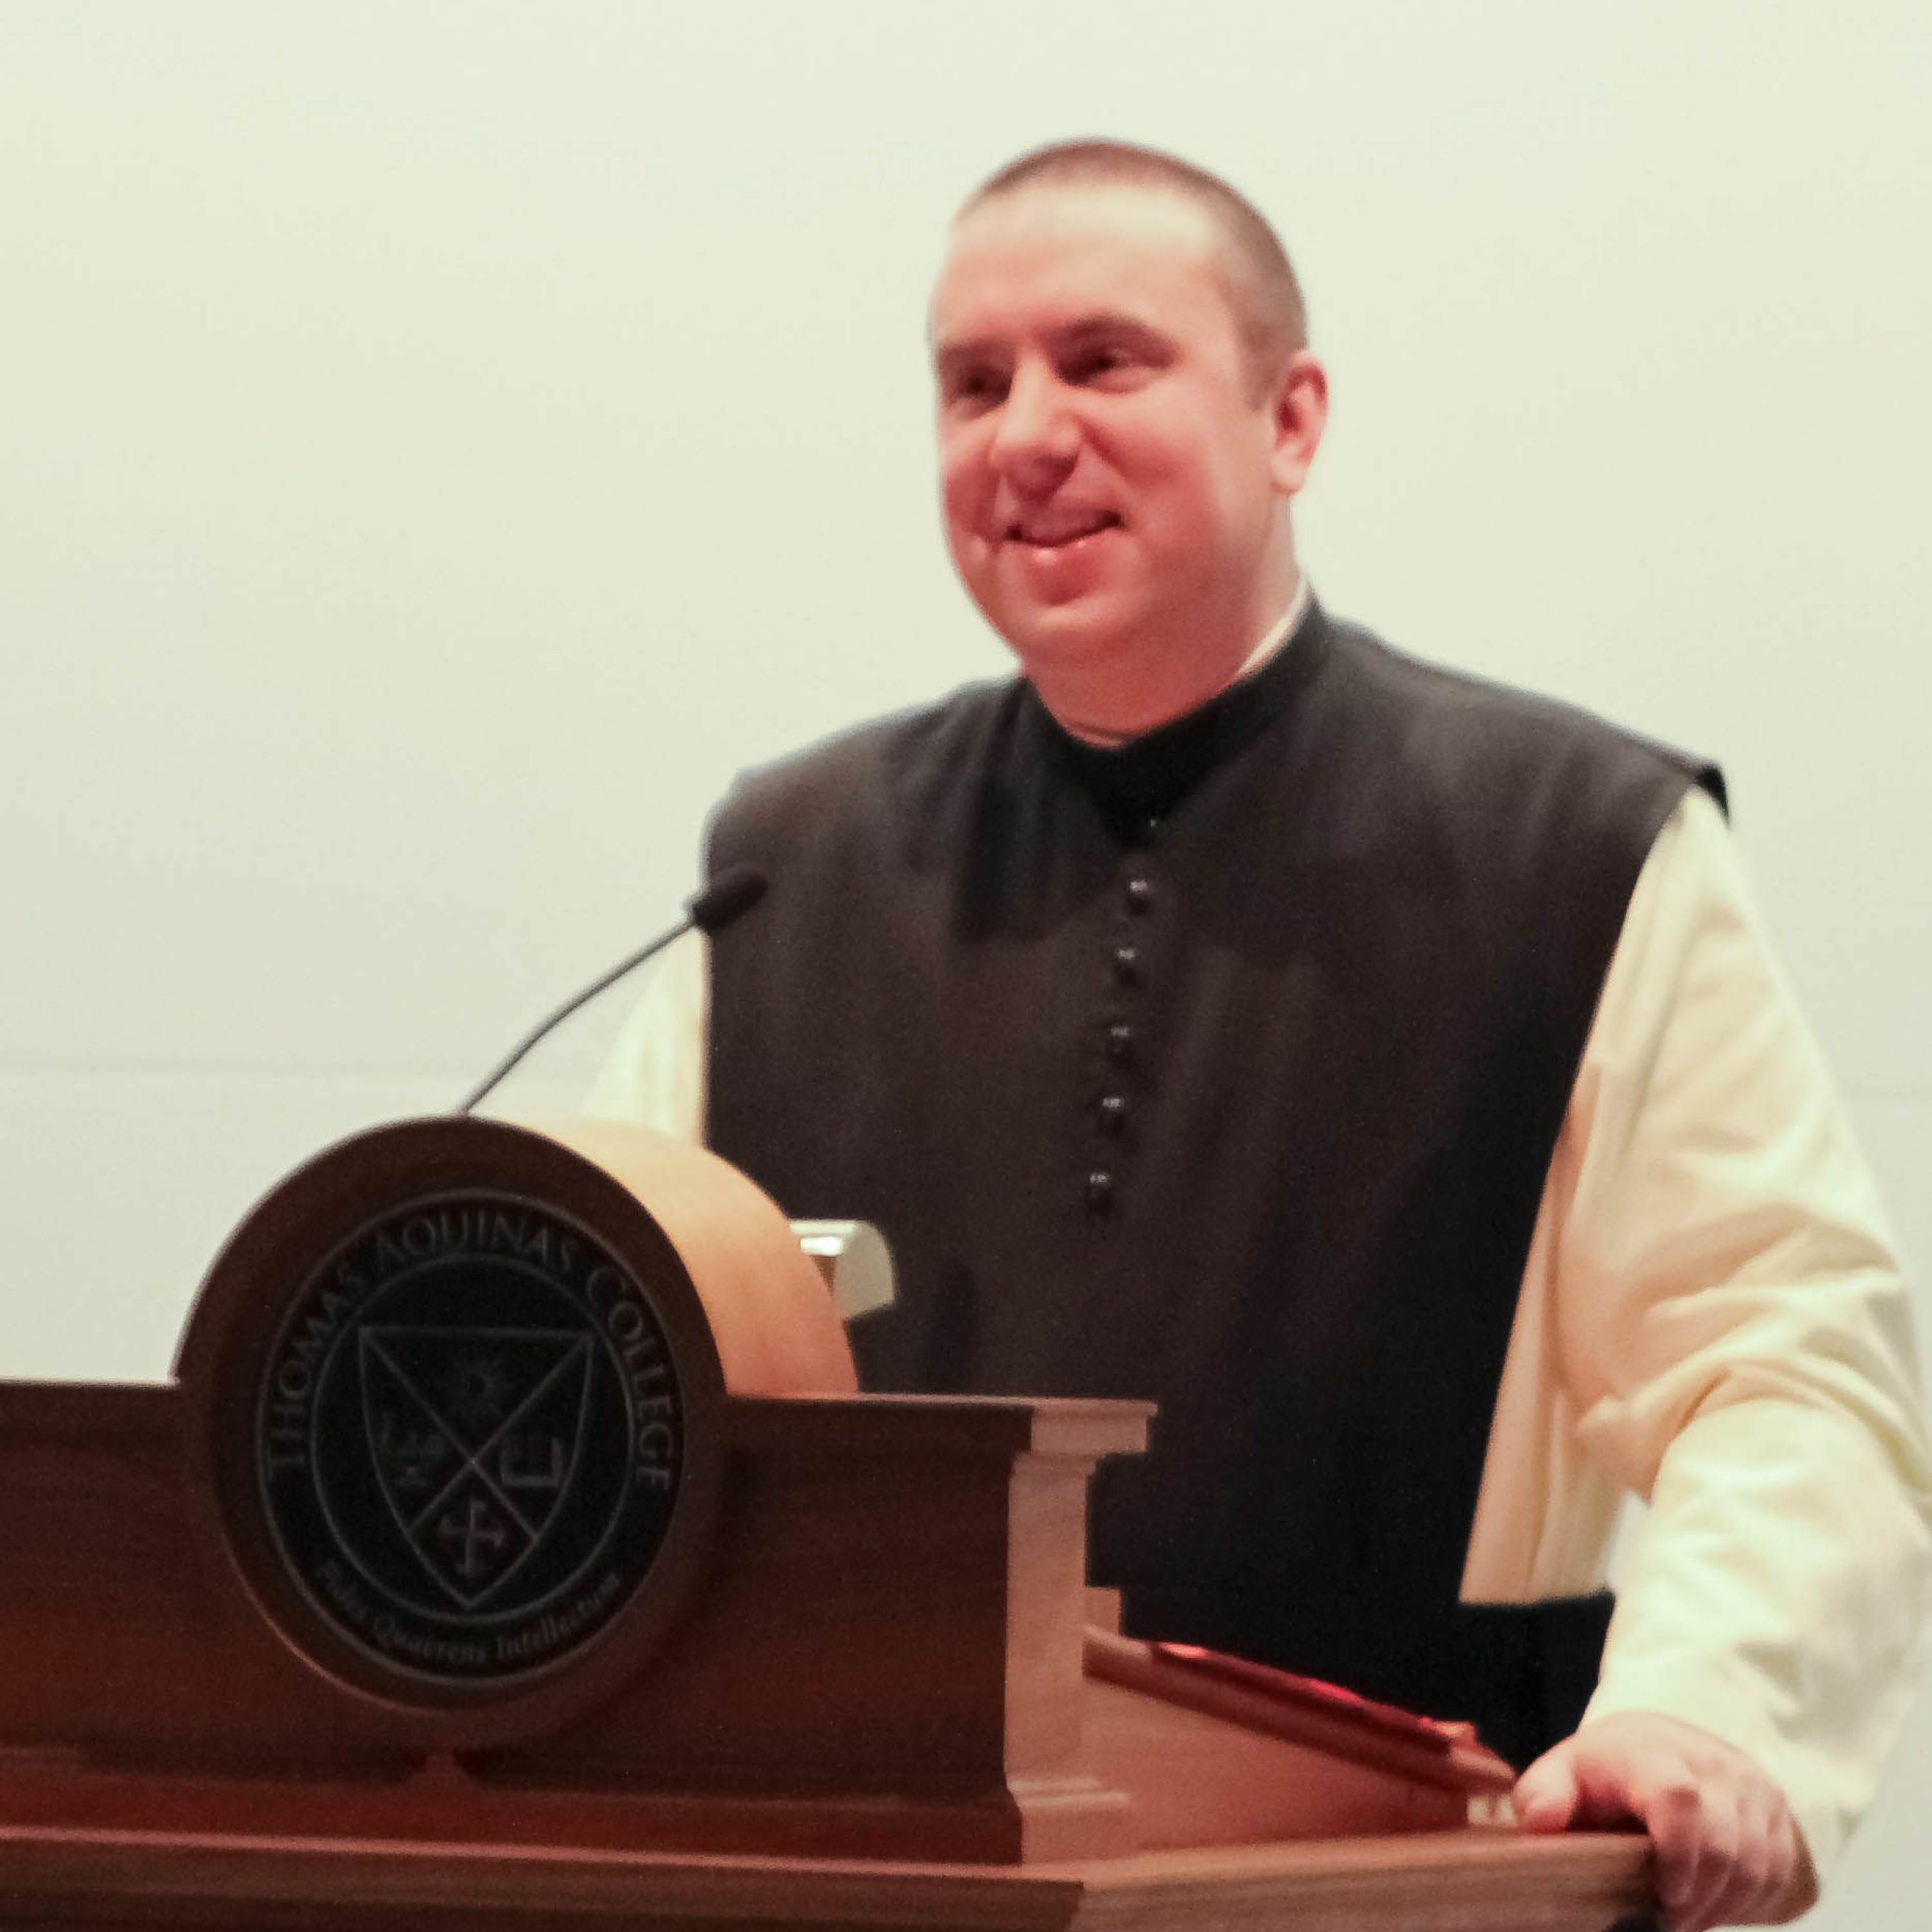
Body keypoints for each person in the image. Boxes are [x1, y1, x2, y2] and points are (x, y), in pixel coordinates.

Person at [590, 141, 1930, 1932]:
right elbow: (594, 1348)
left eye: (1104, 360)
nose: (1026, 434)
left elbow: (1781, 1363)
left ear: (1290, 419)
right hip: (869, 1877)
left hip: (1413, 1881)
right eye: (973, 384)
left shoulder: (1574, 845)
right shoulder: (787, 871)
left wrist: (1708, 1706)